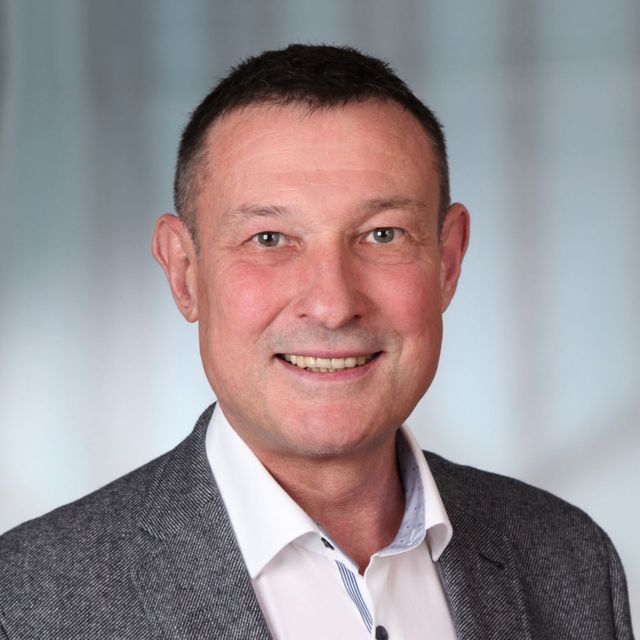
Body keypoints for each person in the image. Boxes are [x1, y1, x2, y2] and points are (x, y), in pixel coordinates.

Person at [0, 44, 633, 640]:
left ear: (448, 260)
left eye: (382, 235)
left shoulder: (570, 559)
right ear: (185, 273)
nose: (332, 305)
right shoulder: (26, 604)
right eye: (269, 239)